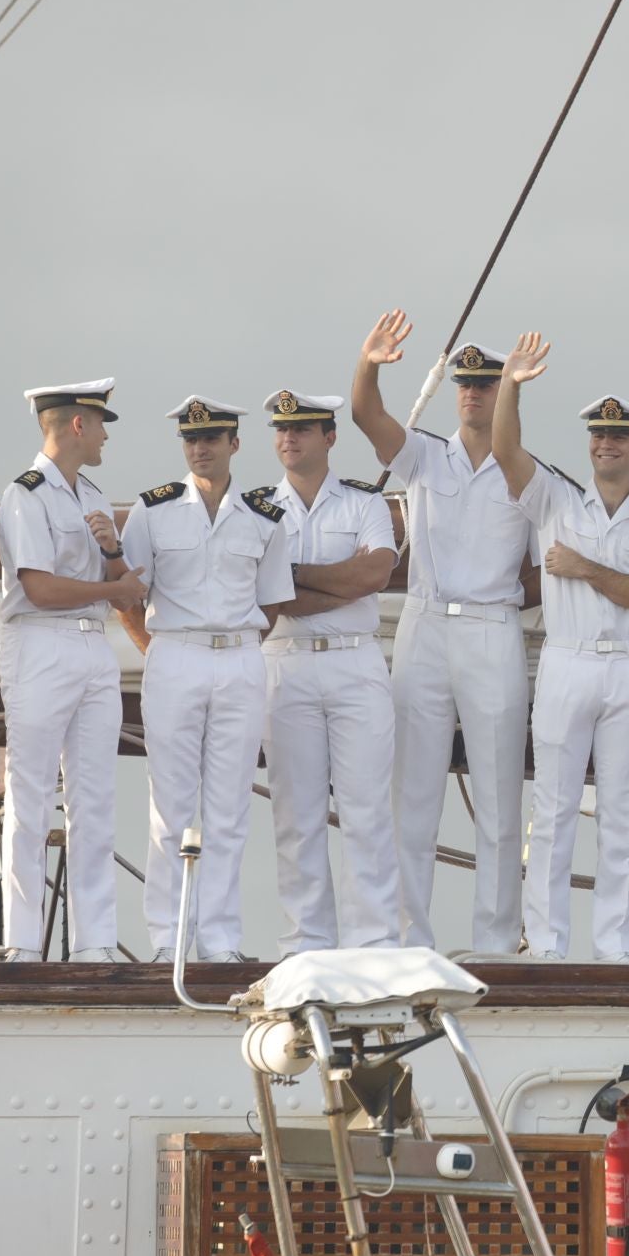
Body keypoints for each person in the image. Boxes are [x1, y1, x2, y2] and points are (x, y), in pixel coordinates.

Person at [349, 312, 538, 956]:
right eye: (466, 384)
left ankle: (495, 943)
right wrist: (369, 365)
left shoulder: (524, 473)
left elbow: (546, 567)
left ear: (504, 392)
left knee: (499, 795)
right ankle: (406, 941)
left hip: (492, 627)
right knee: (414, 794)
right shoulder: (426, 454)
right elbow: (366, 418)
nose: (472, 394)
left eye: (486, 385)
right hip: (426, 625)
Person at [490, 333, 629, 962]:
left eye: (619, 436)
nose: (605, 443)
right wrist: (511, 385)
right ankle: (546, 943)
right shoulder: (555, 497)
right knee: (554, 810)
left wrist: (585, 567)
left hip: (625, 669)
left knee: (622, 814)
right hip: (567, 661)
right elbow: (505, 449)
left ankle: (615, 946)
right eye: (599, 434)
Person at [118, 397, 293, 962]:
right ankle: (169, 939)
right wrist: (161, 650)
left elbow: (270, 604)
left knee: (229, 807)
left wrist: (230, 651)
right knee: (169, 808)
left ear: (234, 444)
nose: (200, 447)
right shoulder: (153, 510)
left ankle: (219, 941)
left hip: (241, 658)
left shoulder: (265, 518)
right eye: (191, 439)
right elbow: (127, 593)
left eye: (212, 438)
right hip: (174, 655)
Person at [0, 378, 143, 963]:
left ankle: (94, 942)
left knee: (96, 799)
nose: (106, 435)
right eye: (101, 423)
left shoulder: (94, 495)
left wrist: (111, 552)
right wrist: (112, 584)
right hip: (40, 646)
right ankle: (24, 944)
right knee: (30, 796)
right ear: (77, 424)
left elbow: (124, 586)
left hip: (91, 649)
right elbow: (37, 588)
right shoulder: (25, 493)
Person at [255, 390, 401, 954]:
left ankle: (375, 942)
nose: (288, 439)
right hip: (286, 663)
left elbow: (373, 576)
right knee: (296, 815)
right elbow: (259, 590)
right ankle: (306, 943)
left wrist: (288, 578)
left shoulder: (365, 502)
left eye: (302, 430)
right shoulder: (258, 507)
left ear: (330, 438)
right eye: (282, 430)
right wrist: (327, 581)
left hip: (354, 661)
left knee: (366, 809)